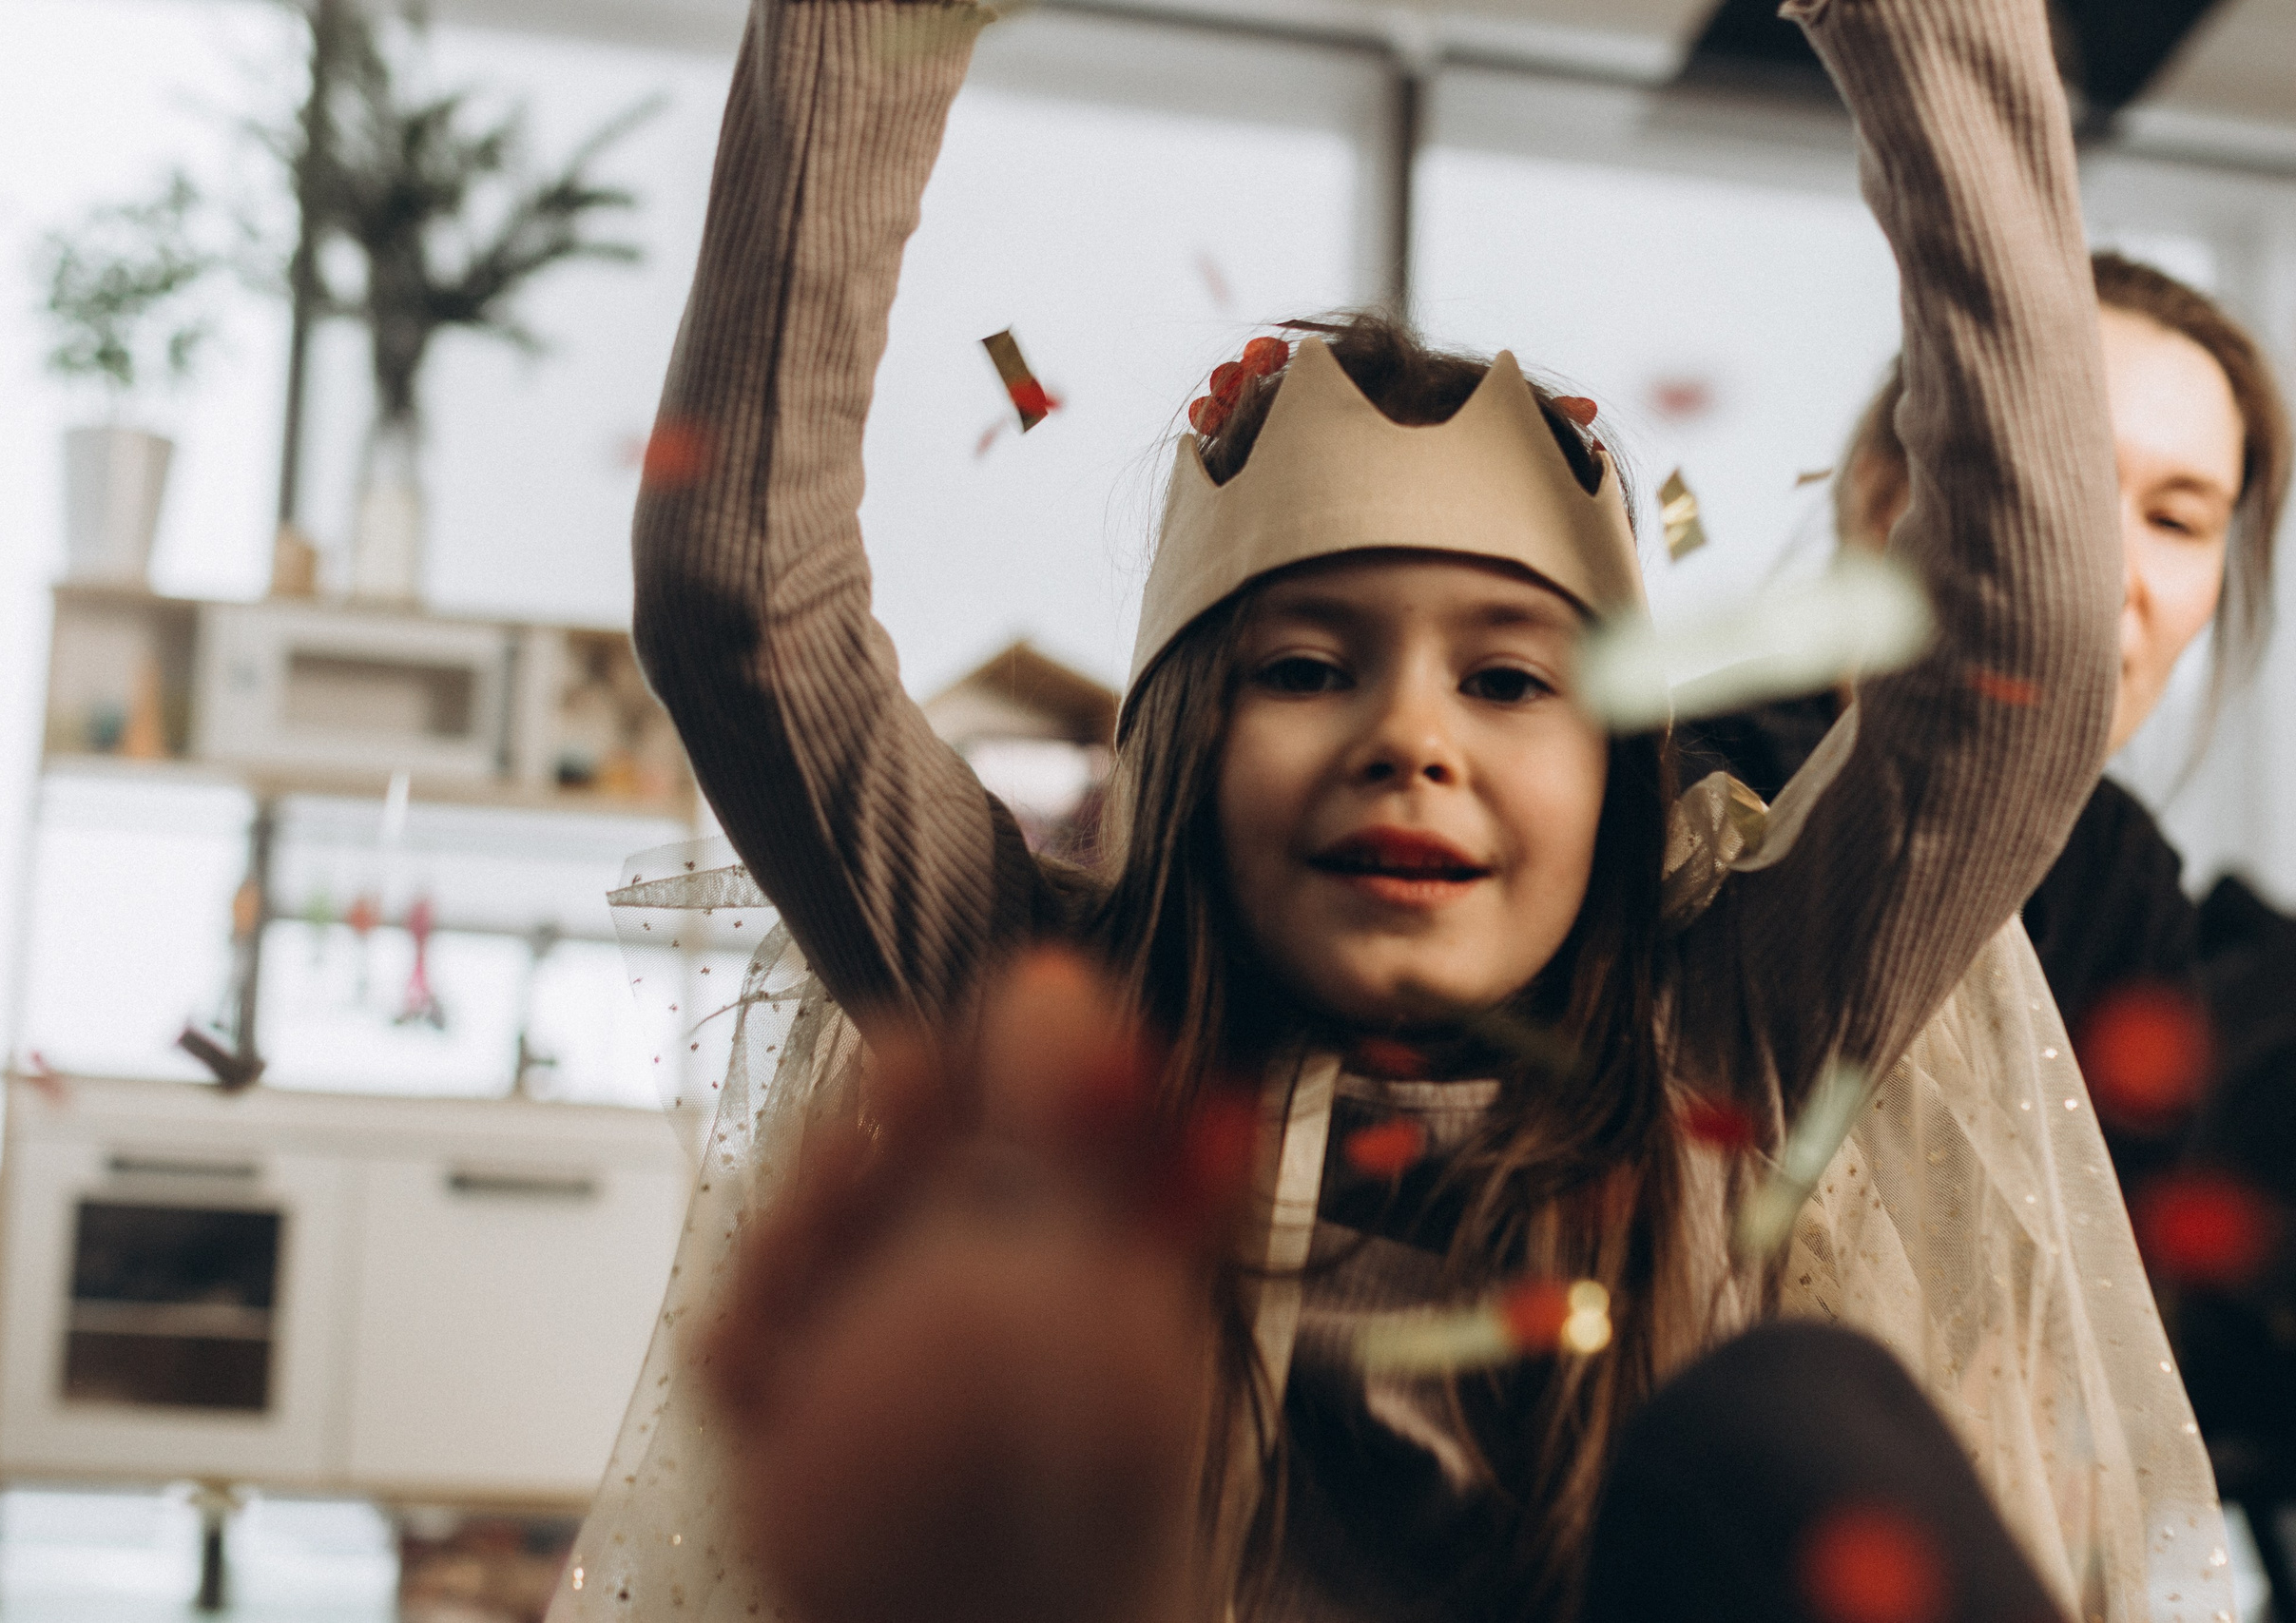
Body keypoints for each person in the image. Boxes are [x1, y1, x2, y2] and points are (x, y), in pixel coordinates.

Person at [546, 0, 2228, 1618]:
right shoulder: (1043, 1015)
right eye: (1303, 670)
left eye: (1507, 683)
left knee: (1791, 1420)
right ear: (1183, 747)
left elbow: (2029, 647)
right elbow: (740, 607)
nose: (1411, 737)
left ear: (1620, 781)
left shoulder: (1720, 1041)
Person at [1683, 245, 2296, 1623]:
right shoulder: (1694, 789)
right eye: (2053, 475)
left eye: (2180, 517)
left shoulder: (2123, 879)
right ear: (1881, 499)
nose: (2109, 571)